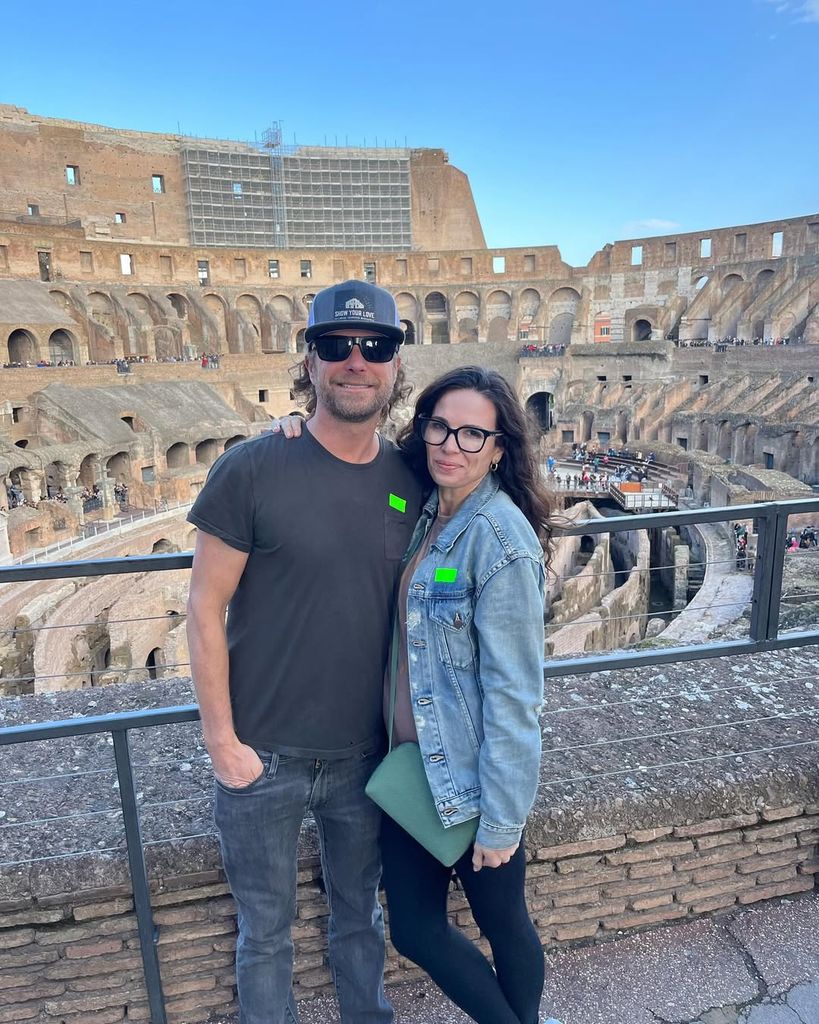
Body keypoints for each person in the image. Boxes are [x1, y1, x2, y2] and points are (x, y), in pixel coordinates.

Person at [185, 280, 423, 1024]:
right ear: (310, 361)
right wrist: (222, 744)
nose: (356, 361)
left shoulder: (413, 478)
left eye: (374, 347)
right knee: (265, 935)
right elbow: (202, 605)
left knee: (362, 919)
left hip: (365, 757)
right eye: (335, 345)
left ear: (394, 364)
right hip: (263, 756)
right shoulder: (253, 468)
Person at [379, 366, 555, 1024]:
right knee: (414, 931)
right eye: (440, 426)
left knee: (504, 922)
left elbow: (514, 693)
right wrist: (289, 431)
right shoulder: (424, 505)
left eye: (472, 433)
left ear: (499, 447)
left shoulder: (501, 541)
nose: (451, 443)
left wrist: (502, 817)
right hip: (408, 767)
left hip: (471, 775)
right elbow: (354, 456)